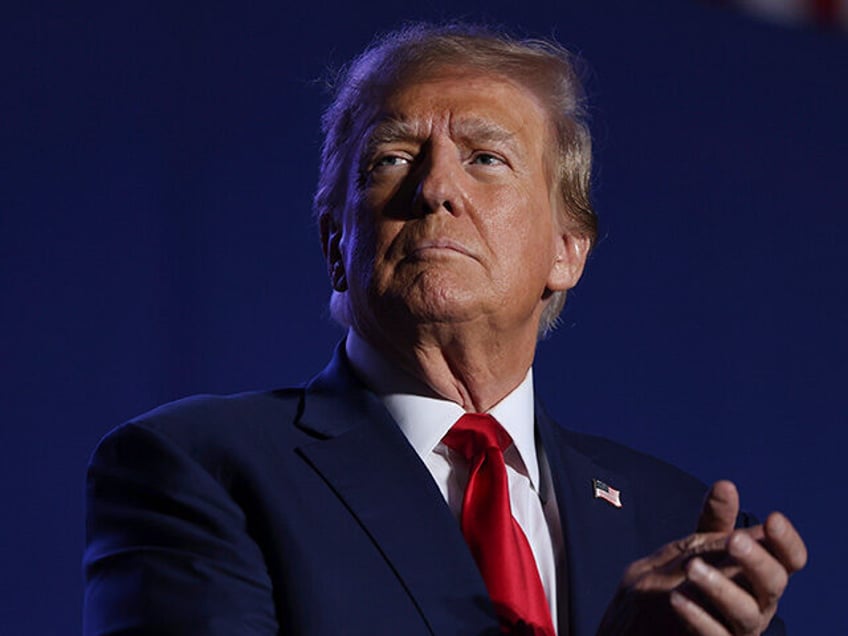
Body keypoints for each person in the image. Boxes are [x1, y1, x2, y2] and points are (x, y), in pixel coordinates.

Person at [83, 23, 807, 636]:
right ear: (337, 243)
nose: (434, 189)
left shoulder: (673, 524)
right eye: (392, 159)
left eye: (486, 159)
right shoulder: (200, 470)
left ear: (567, 250)